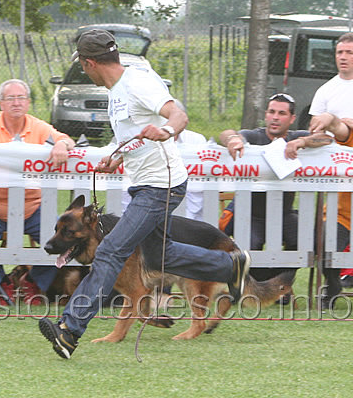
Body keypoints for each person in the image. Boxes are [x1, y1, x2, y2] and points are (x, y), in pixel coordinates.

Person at [37, 29, 250, 359]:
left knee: (109, 251)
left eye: (82, 65)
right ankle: (230, 266)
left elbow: (178, 115)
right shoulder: (117, 91)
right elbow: (137, 137)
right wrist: (118, 157)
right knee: (162, 254)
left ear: (89, 62)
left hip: (160, 186)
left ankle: (69, 330)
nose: (83, 70)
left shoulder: (137, 82)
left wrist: (166, 130)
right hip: (144, 185)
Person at [0, 78, 76, 305]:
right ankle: (1, 285)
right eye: (10, 98)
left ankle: (33, 283)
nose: (16, 103)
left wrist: (61, 145)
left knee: (64, 239)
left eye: (21, 98)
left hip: (32, 207)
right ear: (1, 103)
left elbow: (67, 140)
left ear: (28, 102)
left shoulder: (38, 126)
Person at [218, 93, 309, 287]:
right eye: (271, 112)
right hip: (250, 214)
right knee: (248, 246)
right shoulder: (253, 136)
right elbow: (226, 133)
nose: (275, 117)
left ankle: (279, 283)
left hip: (284, 214)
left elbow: (325, 139)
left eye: (282, 113)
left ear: (292, 118)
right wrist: (233, 139)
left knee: (307, 237)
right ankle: (263, 284)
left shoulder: (296, 137)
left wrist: (303, 142)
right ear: (266, 115)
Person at [294, 112, 353, 308]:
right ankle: (333, 284)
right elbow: (338, 127)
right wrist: (329, 118)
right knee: (325, 241)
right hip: (342, 215)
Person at [308, 32, 353, 119]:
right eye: (340, 52)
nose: (343, 57)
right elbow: (316, 128)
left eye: (349, 52)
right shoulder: (324, 91)